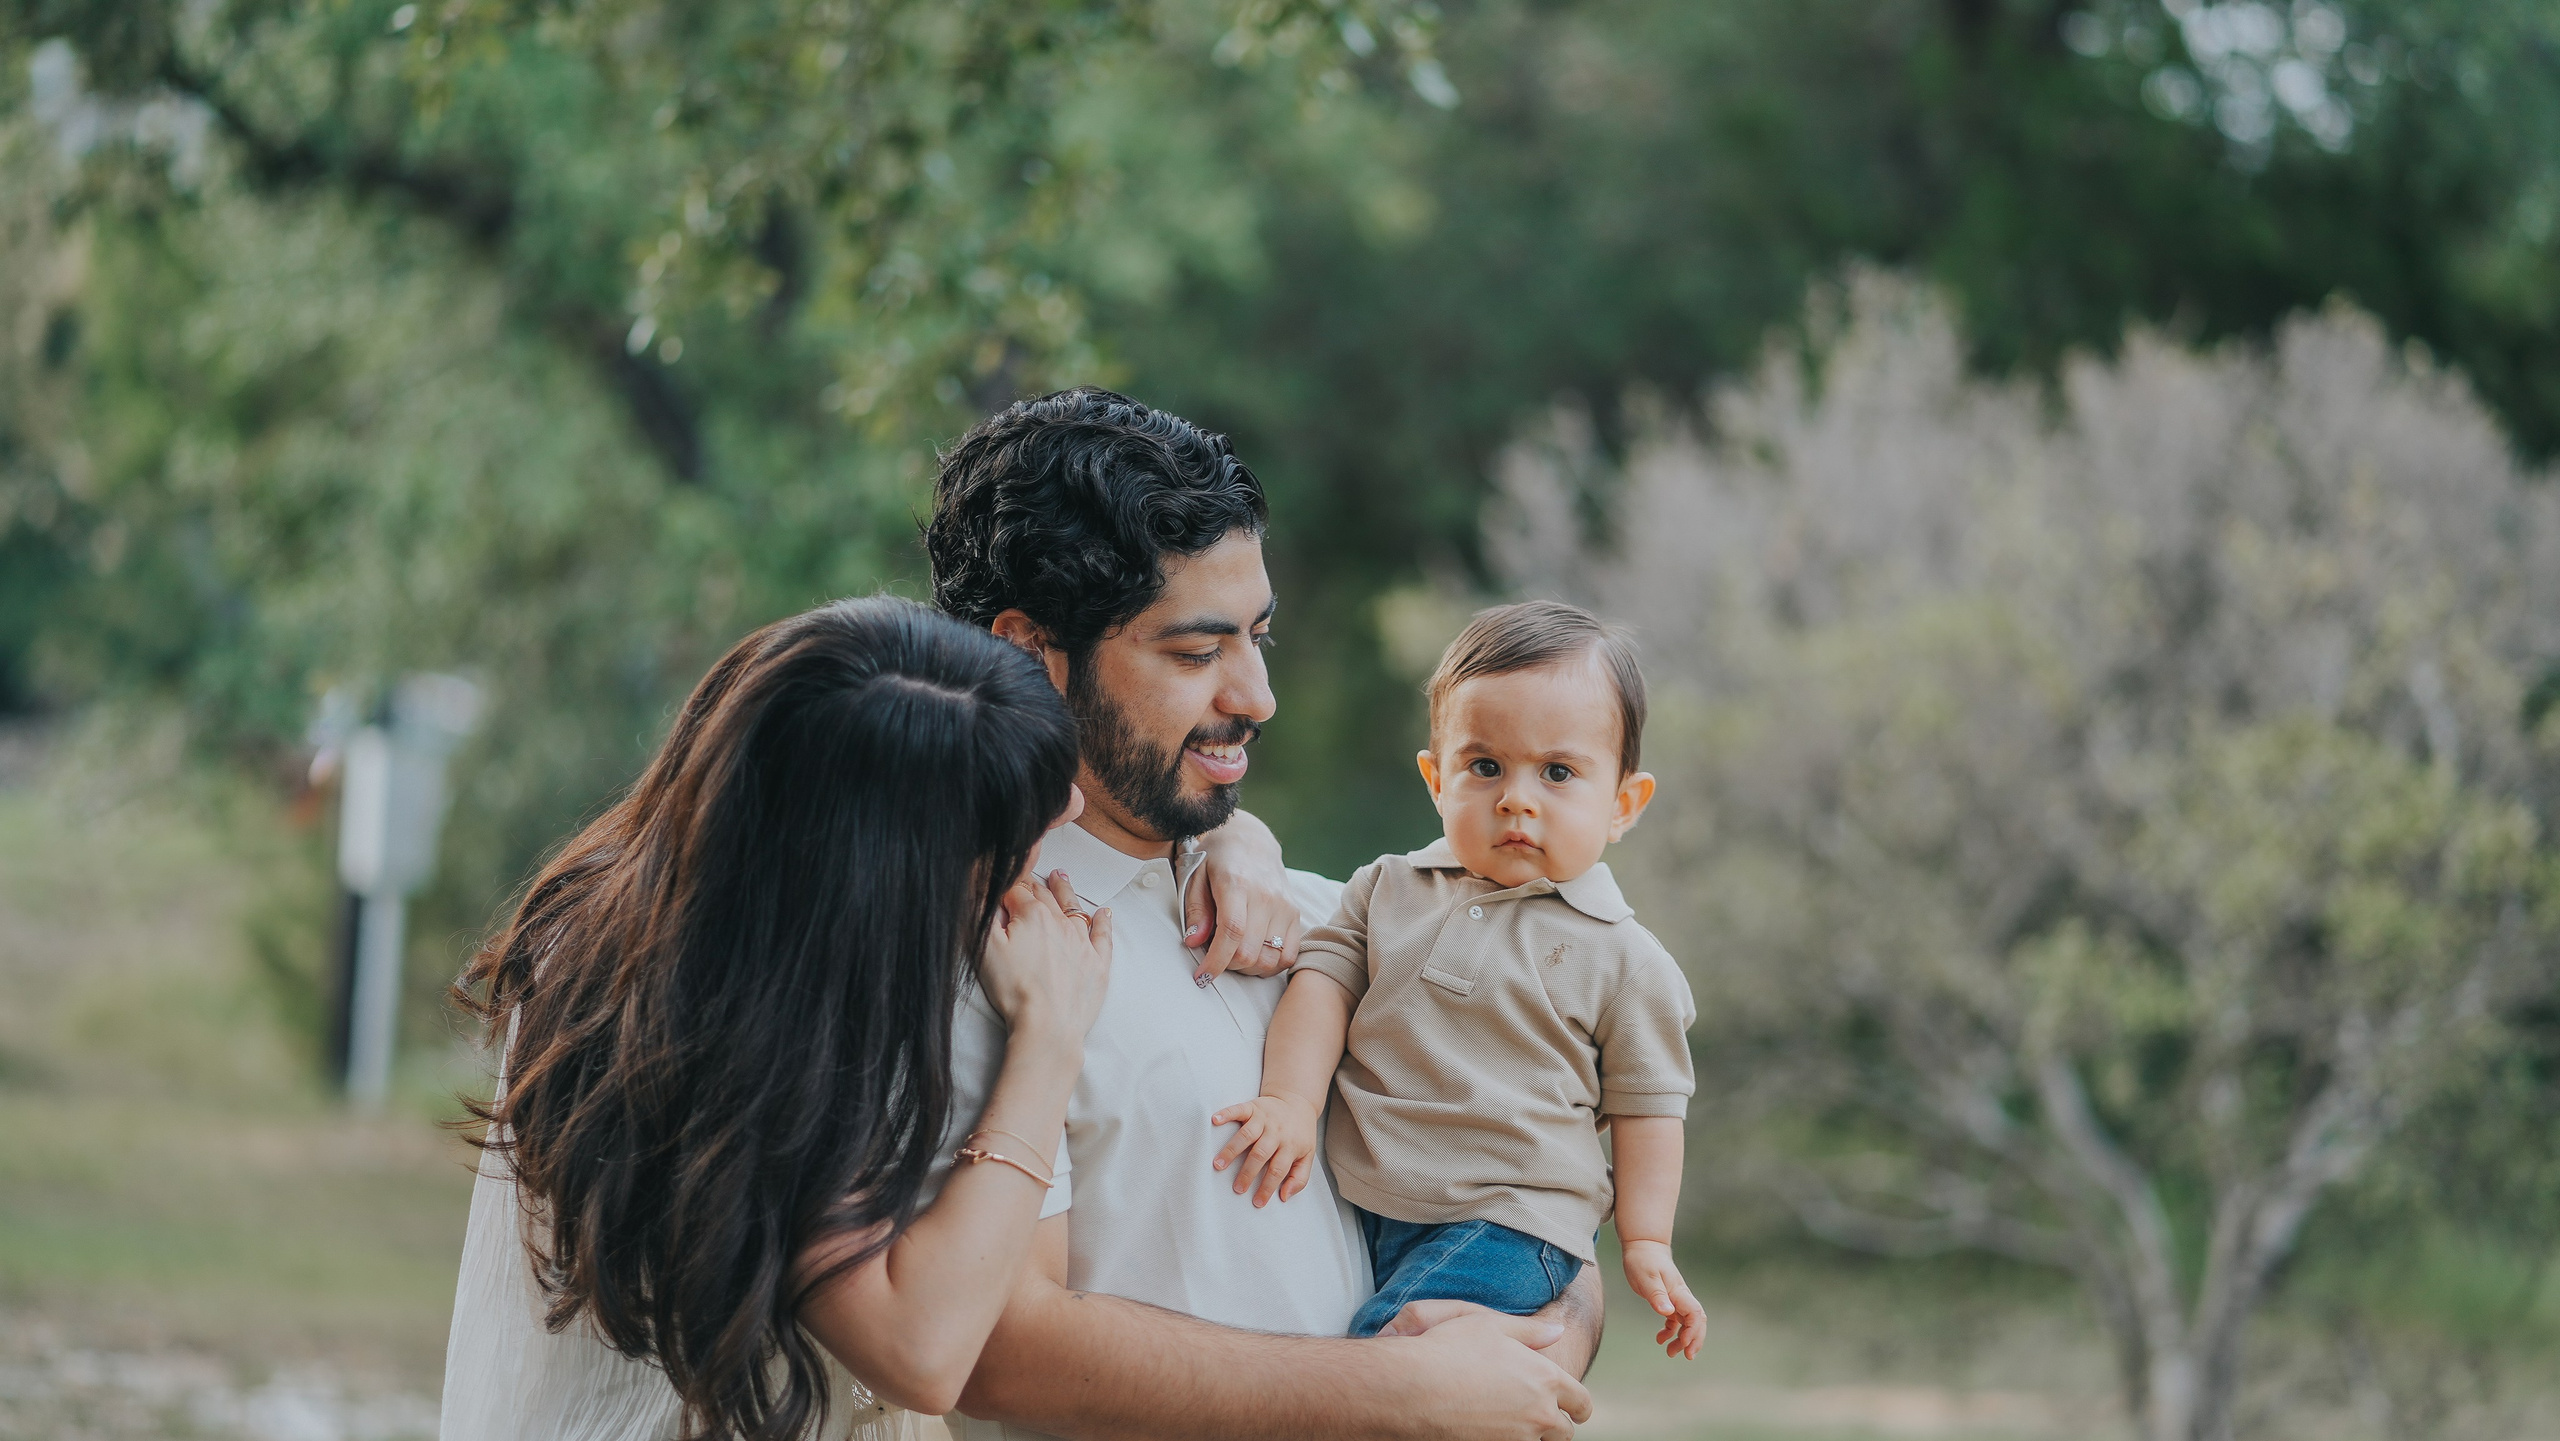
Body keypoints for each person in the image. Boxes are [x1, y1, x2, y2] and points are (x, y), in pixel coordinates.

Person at [922, 389, 1602, 1441]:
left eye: (1258, 639)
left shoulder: (1332, 915)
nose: (1255, 693)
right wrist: (1397, 1395)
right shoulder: (967, 958)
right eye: (1196, 654)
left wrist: (1539, 1331)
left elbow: (1536, 1215)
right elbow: (993, 1347)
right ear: (1029, 652)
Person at [438, 597, 1114, 1441]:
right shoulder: (738, 1034)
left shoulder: (639, 915)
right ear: (890, 867)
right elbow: (922, 1353)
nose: (1072, 816)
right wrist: (1050, 1038)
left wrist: (1229, 845)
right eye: (1021, 820)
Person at [1209, 600, 1707, 1360]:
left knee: (1387, 1365)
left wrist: (1646, 1239)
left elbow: (1649, 1108)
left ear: (1623, 804)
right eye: (1485, 766)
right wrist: (1288, 1099)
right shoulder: (1386, 890)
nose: (1516, 796)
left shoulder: (1626, 958)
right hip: (1375, 1208)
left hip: (1510, 1224)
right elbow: (1322, 986)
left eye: (1559, 772)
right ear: (1436, 778)